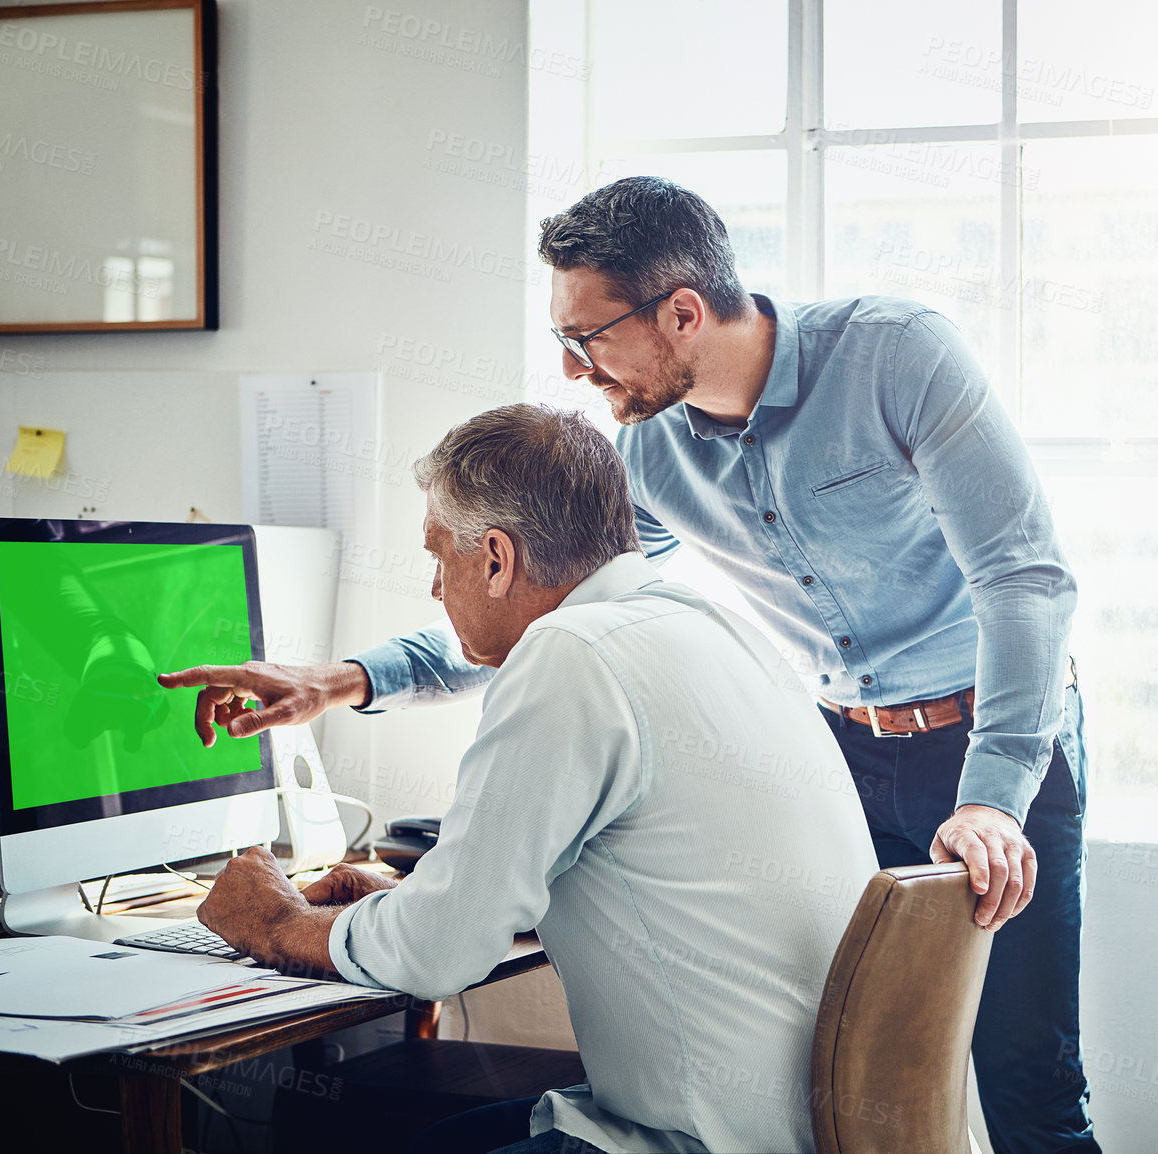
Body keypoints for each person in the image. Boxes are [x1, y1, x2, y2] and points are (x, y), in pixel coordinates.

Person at [173, 177, 1095, 1153]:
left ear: (683, 312)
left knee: (1030, 1086)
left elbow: (1024, 577)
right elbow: (551, 595)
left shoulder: (893, 353)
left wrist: (993, 796)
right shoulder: (652, 454)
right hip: (850, 744)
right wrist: (344, 678)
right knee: (827, 1055)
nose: (573, 369)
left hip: (998, 738)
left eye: (588, 337)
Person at [172, 405, 880, 1154]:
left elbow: (434, 957)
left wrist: (278, 924)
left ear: (498, 559)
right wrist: (428, 903)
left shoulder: (570, 652)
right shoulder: (712, 628)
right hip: (807, 1123)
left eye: (440, 556)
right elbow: (672, 883)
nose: (437, 589)